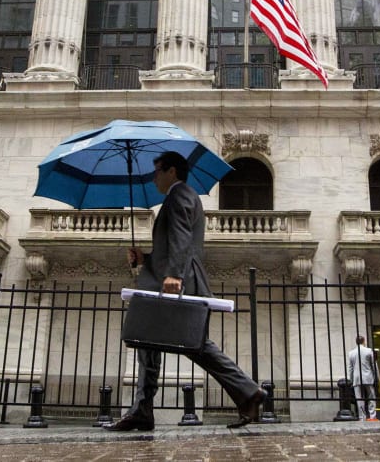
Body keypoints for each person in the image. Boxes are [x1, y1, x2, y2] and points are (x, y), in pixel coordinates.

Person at [105, 151, 264, 432]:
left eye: (157, 172)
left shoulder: (179, 195)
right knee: (149, 341)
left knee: (194, 344)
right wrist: (144, 258)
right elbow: (174, 245)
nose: (154, 178)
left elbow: (182, 239)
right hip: (169, 278)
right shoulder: (181, 196)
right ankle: (143, 409)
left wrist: (174, 276)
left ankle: (248, 391)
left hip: (178, 281)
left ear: (172, 171)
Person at [348, 334, 379, 422]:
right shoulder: (369, 351)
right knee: (371, 397)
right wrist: (376, 376)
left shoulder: (351, 353)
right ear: (364, 341)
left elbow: (350, 368)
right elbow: (373, 365)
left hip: (357, 378)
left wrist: (351, 379)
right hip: (368, 377)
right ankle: (372, 416)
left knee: (360, 399)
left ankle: (362, 417)